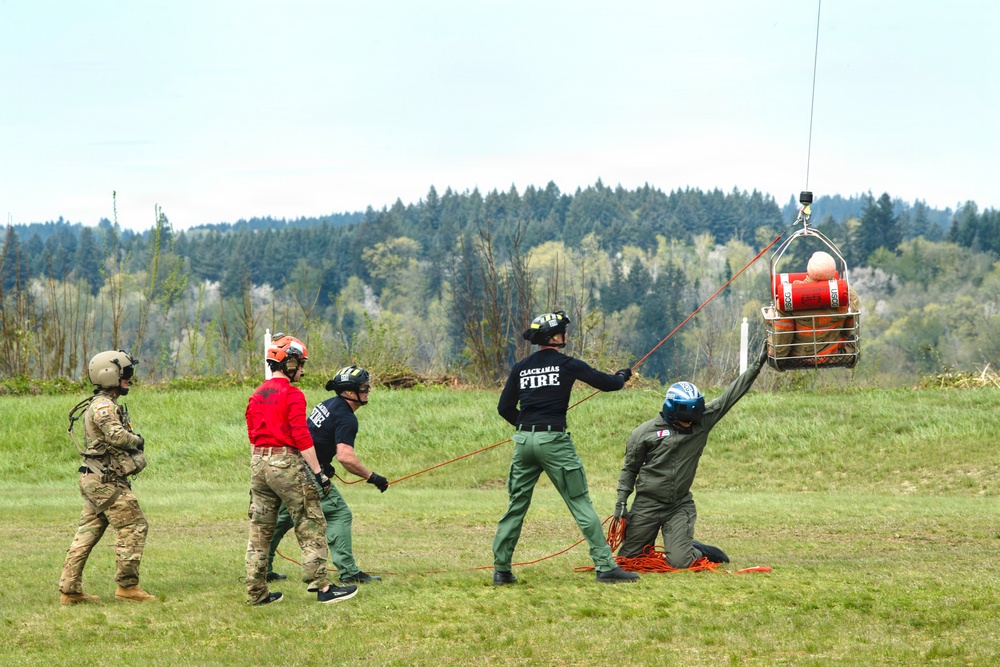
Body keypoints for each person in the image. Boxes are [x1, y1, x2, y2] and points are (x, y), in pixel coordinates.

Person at [492, 311, 639, 585]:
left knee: (515, 507)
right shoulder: (567, 364)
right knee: (580, 502)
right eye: (562, 332)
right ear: (554, 337)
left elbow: (504, 408)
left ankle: (501, 571)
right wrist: (622, 375)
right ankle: (605, 567)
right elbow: (608, 385)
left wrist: (526, 426)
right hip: (554, 442)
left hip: (524, 442)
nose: (564, 336)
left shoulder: (521, 367)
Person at [614, 344, 768, 568]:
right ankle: (679, 542)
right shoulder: (643, 433)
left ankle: (690, 548)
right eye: (685, 419)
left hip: (679, 505)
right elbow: (629, 469)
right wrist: (621, 502)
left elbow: (730, 396)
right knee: (629, 561)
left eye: (693, 418)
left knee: (680, 562)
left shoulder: (701, 422)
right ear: (672, 412)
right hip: (647, 504)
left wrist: (758, 364)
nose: (689, 423)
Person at [244, 335, 358, 605]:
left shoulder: (256, 394)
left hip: (258, 463)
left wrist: (257, 471)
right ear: (290, 363)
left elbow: (253, 437)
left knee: (260, 530)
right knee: (310, 522)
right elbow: (301, 436)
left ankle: (256, 593)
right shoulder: (293, 394)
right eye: (301, 364)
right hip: (286, 462)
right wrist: (319, 473)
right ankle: (322, 587)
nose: (303, 370)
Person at [267, 365, 389, 585]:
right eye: (364, 387)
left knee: (283, 518)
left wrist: (323, 463)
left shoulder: (327, 404)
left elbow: (312, 435)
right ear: (350, 392)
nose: (368, 390)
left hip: (289, 466)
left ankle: (261, 567)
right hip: (305, 472)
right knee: (339, 514)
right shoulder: (347, 418)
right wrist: (373, 477)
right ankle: (349, 572)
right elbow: (346, 457)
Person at [59, 349, 156, 604]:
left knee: (88, 531)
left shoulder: (104, 404)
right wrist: (138, 440)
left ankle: (70, 591)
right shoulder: (103, 406)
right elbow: (117, 436)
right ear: (110, 375)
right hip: (106, 481)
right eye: (126, 373)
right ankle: (128, 587)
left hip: (96, 478)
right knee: (134, 526)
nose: (129, 379)